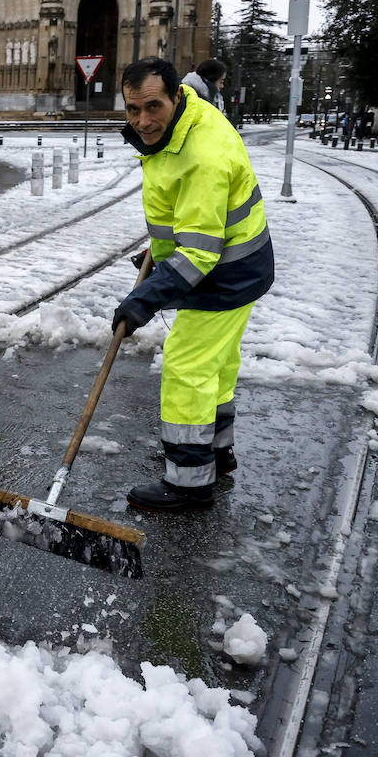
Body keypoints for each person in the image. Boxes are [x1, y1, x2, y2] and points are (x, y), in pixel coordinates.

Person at [115, 57, 274, 512]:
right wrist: (159, 256)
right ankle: (216, 453)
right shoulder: (184, 123)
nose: (143, 121)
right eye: (132, 109)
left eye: (153, 107)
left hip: (226, 272)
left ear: (178, 96)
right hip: (240, 263)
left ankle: (188, 483)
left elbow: (200, 252)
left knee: (186, 369)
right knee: (217, 366)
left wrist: (143, 299)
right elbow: (190, 221)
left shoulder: (202, 154)